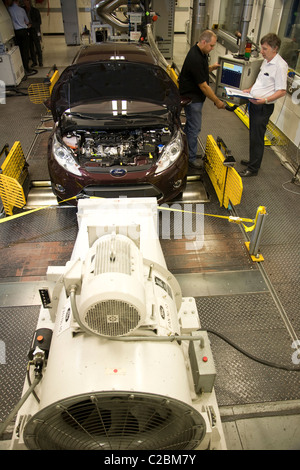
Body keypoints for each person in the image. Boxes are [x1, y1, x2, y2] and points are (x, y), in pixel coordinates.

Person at [239, 33, 288, 177]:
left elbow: (282, 91)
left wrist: (264, 100)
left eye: (265, 49)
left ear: (275, 49)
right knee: (253, 134)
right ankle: (252, 161)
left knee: (257, 137)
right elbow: (261, 81)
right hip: (255, 103)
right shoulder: (266, 61)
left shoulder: (280, 66)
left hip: (263, 107)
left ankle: (253, 169)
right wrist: (250, 89)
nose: (262, 51)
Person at [179, 29, 226, 169]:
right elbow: (204, 87)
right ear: (204, 42)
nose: (212, 48)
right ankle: (191, 159)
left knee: (190, 127)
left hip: (193, 95)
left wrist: (212, 68)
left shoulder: (201, 52)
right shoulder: (195, 57)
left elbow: (201, 72)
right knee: (194, 128)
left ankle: (186, 151)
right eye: (211, 45)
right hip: (192, 98)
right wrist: (217, 101)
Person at [8, 0, 36, 76]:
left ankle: (21, 68)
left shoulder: (9, 9)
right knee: (25, 51)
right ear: (18, 1)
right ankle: (26, 68)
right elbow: (27, 21)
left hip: (15, 33)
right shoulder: (21, 10)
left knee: (19, 51)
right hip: (23, 32)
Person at [23, 0, 43, 67]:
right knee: (31, 47)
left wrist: (32, 25)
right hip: (27, 31)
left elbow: (39, 22)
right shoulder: (23, 10)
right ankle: (34, 61)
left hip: (35, 30)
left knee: (37, 46)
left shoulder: (35, 11)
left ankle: (40, 61)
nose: (25, 2)